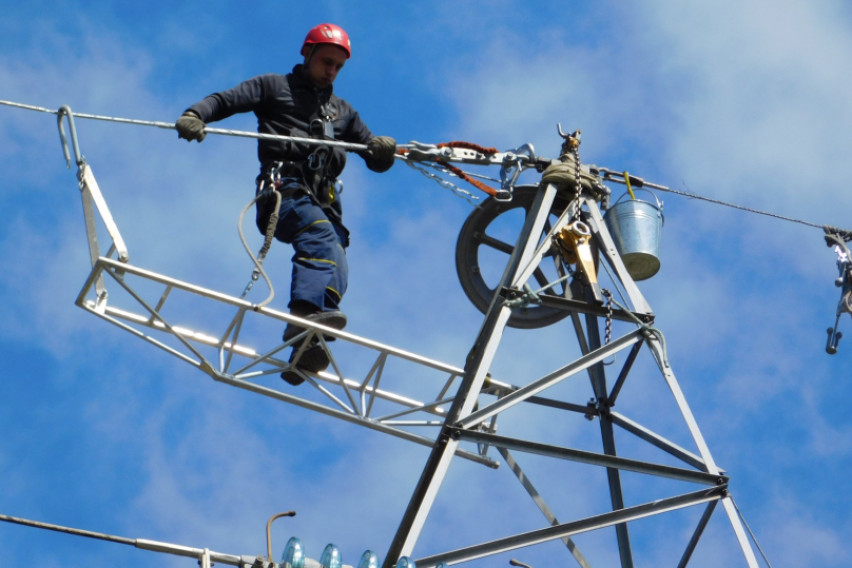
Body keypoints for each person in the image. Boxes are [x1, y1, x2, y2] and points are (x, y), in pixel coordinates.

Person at [175, 23, 397, 385]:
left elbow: (372, 153)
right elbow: (224, 100)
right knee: (321, 239)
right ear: (307, 54)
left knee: (337, 258)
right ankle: (302, 321)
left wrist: (383, 150)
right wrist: (195, 115)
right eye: (326, 62)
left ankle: (306, 346)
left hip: (322, 203)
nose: (331, 71)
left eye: (338, 67)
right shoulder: (273, 87)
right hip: (285, 193)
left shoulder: (342, 112)